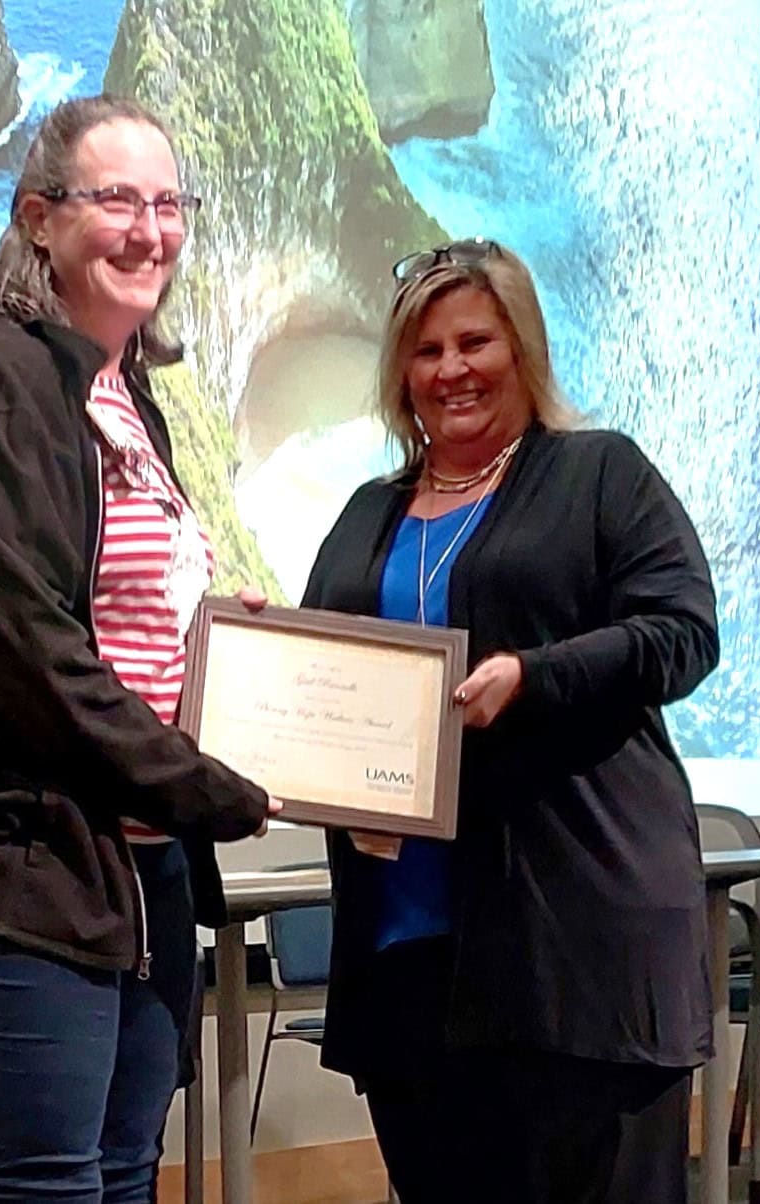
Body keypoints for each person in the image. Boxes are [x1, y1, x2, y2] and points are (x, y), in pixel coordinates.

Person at [0, 95, 276, 1203]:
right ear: (39, 218)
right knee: (37, 1189)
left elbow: (114, 610)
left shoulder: (126, 393)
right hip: (12, 861)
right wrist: (202, 785)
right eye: (117, 199)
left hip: (134, 870)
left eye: (170, 203)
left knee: (123, 1177)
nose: (151, 230)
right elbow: (21, 651)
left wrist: (222, 639)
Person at [300, 238, 720, 1204]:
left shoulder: (601, 474)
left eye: (474, 343)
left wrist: (534, 676)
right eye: (427, 350)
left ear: (522, 348)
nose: (451, 370)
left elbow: (683, 632)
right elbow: (327, 678)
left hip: (575, 951)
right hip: (407, 953)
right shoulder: (369, 511)